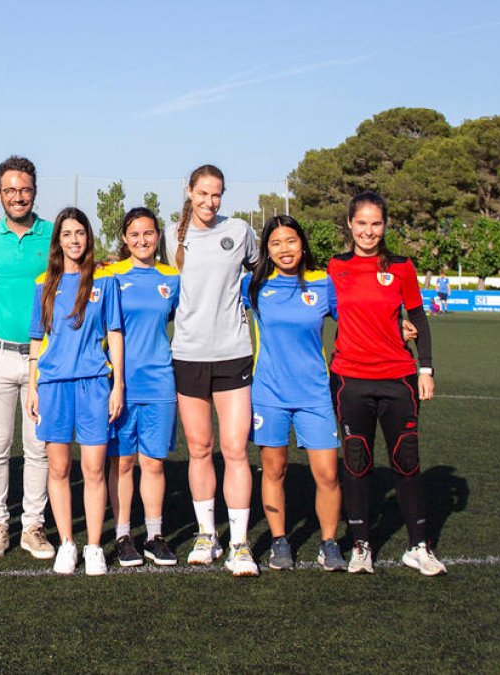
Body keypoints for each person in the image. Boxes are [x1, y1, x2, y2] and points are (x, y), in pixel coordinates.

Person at [328, 191, 444, 576]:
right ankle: (361, 546)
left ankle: (419, 546)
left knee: (407, 461)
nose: (368, 231)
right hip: (350, 379)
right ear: (349, 224)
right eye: (361, 223)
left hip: (399, 378)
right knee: (357, 462)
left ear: (385, 225)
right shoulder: (334, 267)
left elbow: (418, 318)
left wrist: (425, 369)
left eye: (375, 223)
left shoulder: (402, 267)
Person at [170, 164, 260, 577]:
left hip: (232, 354)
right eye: (203, 193)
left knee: (237, 449)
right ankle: (207, 534)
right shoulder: (173, 234)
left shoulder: (240, 231)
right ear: (189, 191)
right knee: (200, 448)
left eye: (217, 194)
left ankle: (240, 543)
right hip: (188, 354)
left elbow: (264, 270)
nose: (210, 202)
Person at [242, 215, 345, 572]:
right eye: (276, 243)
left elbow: (355, 317)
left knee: (328, 473)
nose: (285, 249)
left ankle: (329, 543)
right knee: (274, 470)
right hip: (269, 393)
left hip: (315, 394)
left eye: (291, 241)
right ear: (267, 251)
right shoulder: (254, 286)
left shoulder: (323, 283)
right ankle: (279, 541)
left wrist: (399, 324)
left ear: (303, 245)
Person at [26, 207, 124, 576]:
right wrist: (34, 386)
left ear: (88, 237)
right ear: (58, 241)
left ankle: (95, 546)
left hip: (95, 384)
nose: (74, 240)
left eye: (80, 233)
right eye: (67, 234)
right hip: (53, 385)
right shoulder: (43, 285)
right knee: (59, 467)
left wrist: (119, 385)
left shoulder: (104, 282)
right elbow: (37, 339)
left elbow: (115, 334)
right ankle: (67, 543)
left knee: (95, 467)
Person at [0, 156, 56, 560]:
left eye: (24, 189)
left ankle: (34, 526)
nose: (18, 196)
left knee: (38, 445)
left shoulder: (53, 234)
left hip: (42, 357)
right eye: (10, 190)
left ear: (34, 191)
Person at [103, 207, 180, 567]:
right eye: (134, 235)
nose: (142, 240)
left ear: (158, 235)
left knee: (153, 462)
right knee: (122, 462)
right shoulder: (110, 276)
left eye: (148, 233)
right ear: (124, 238)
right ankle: (122, 534)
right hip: (119, 384)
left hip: (160, 382)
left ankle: (154, 534)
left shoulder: (172, 278)